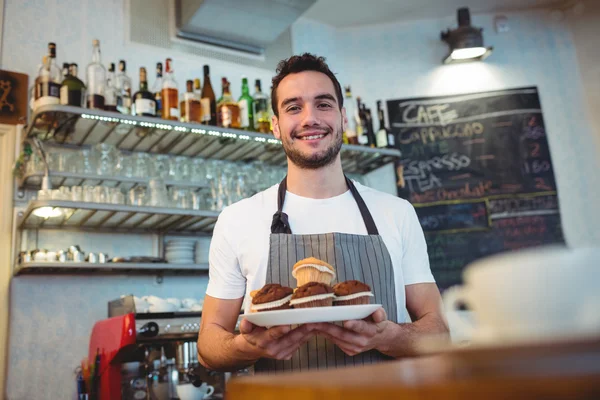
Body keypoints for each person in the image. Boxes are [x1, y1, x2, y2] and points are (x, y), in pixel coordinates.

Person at [197, 53, 449, 373]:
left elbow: (440, 333)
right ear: (275, 125)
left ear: (343, 117)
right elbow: (207, 346)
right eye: (293, 107)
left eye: (324, 104)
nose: (309, 119)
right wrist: (244, 347)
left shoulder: (396, 213)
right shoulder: (237, 220)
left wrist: (389, 337)